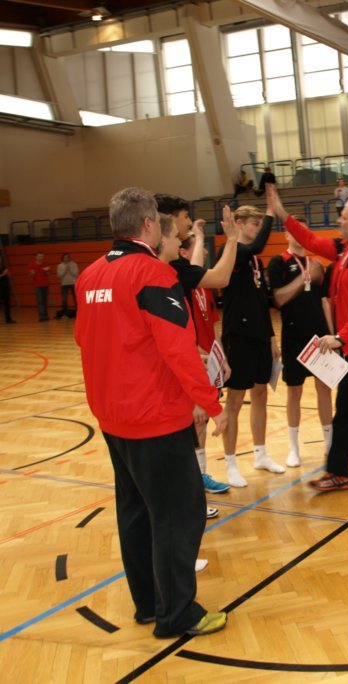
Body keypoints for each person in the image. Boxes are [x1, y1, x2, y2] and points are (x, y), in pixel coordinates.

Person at [74, 186, 228, 638]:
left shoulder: (90, 276)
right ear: (147, 224)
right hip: (155, 417)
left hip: (113, 417)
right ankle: (177, 613)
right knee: (179, 513)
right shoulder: (153, 274)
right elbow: (178, 349)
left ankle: (147, 603)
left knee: (136, 511)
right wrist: (211, 403)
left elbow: (86, 339)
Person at [267, 189, 348, 493]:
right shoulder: (345, 249)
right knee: (347, 411)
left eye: (343, 217)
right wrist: (283, 215)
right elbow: (312, 241)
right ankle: (337, 471)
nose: (338, 221)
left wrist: (341, 337)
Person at [156, 193, 239, 496]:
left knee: (191, 429)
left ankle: (194, 487)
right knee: (180, 432)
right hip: (164, 373)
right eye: (185, 217)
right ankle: (186, 495)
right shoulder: (156, 269)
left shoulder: (173, 266)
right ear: (168, 220)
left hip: (183, 360)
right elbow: (221, 277)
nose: (189, 222)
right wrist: (232, 239)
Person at [218, 205, 285, 488]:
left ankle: (260, 454)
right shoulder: (232, 252)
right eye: (254, 223)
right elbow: (255, 245)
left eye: (260, 223)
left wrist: (271, 337)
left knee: (261, 394)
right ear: (239, 223)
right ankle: (231, 464)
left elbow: (262, 302)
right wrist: (271, 213)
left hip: (260, 335)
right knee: (234, 401)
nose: (258, 228)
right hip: (239, 336)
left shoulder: (256, 261)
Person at [268, 223, 334, 467]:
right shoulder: (279, 262)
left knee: (324, 389)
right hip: (293, 337)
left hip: (320, 337)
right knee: (294, 392)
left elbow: (324, 301)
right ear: (286, 234)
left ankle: (329, 445)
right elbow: (278, 298)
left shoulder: (317, 264)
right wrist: (304, 277)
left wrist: (333, 335)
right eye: (293, 231)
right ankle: (294, 449)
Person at [29, 252, 50, 321]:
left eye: (42, 256)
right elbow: (30, 275)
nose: (41, 257)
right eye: (39, 256)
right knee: (40, 301)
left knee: (45, 301)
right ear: (36, 257)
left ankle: (46, 315)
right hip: (37, 285)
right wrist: (32, 273)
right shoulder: (32, 265)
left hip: (45, 285)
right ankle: (41, 316)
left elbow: (48, 274)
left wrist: (47, 271)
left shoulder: (46, 264)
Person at [56, 253, 79, 317]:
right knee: (64, 299)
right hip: (64, 284)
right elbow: (59, 276)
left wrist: (70, 270)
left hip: (73, 283)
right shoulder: (60, 266)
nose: (66, 259)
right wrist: (65, 270)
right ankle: (65, 314)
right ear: (63, 258)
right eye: (65, 257)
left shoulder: (74, 264)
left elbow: (76, 275)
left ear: (69, 258)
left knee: (76, 299)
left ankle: (78, 312)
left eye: (67, 257)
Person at [0, 252, 13, 323]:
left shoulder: (4, 267)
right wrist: (3, 274)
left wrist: (7, 273)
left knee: (7, 303)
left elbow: (8, 275)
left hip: (5, 287)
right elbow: (2, 275)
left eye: (0, 258)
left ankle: (8, 319)